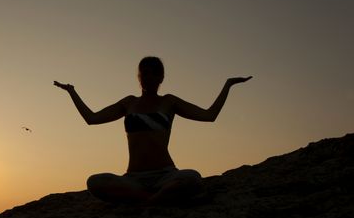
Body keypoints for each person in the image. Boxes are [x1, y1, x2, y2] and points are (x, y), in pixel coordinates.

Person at [54, 56, 252, 204]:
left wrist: (228, 85)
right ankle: (154, 199)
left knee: (192, 177)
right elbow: (92, 118)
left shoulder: (169, 102)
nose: (147, 77)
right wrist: (72, 92)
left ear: (161, 77)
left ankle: (145, 200)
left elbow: (209, 115)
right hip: (133, 179)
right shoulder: (129, 103)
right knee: (95, 182)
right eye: (143, 73)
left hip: (166, 175)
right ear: (139, 77)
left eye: (152, 73)